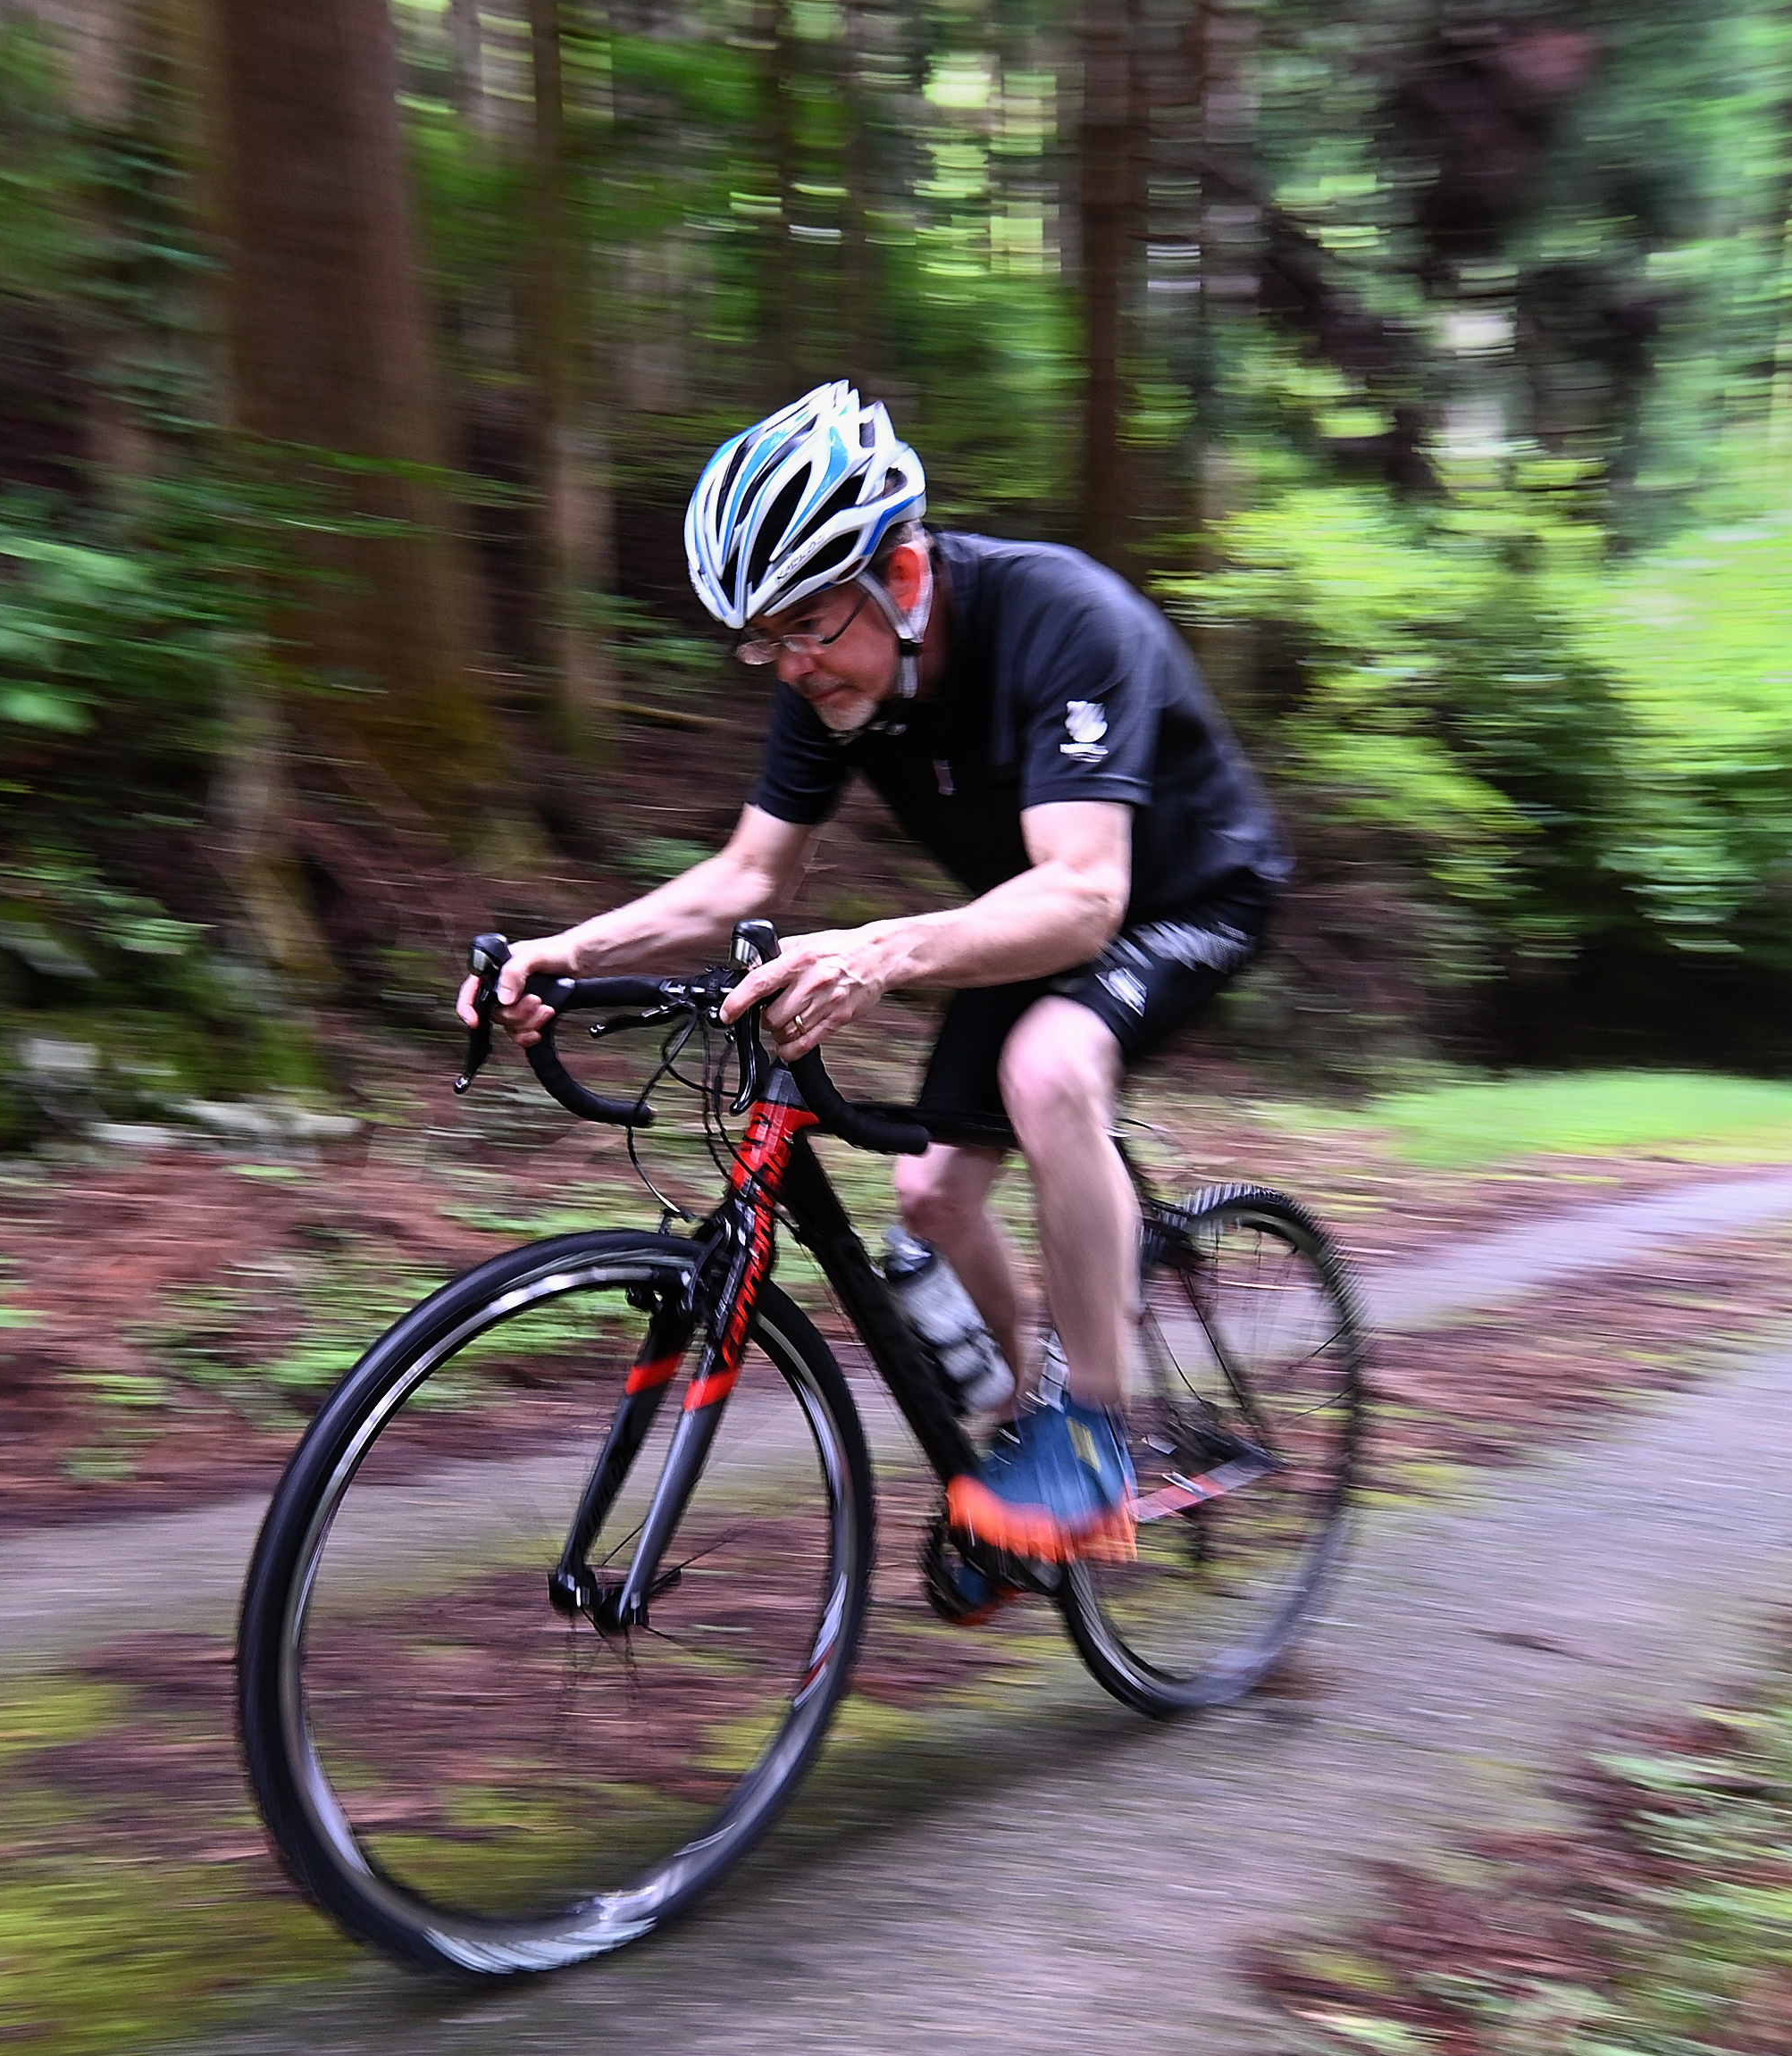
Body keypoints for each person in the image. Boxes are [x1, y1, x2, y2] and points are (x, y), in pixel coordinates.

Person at [460, 381, 1287, 1564]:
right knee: (931, 1197)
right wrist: (567, 950)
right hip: (1027, 907)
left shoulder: (1061, 616)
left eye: (806, 625)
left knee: (1051, 1068)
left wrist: (882, 951)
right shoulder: (833, 674)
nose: (788, 664)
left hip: (1181, 893)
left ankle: (1093, 1445)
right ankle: (1028, 1419)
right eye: (764, 638)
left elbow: (1090, 896)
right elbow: (747, 877)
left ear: (900, 576)